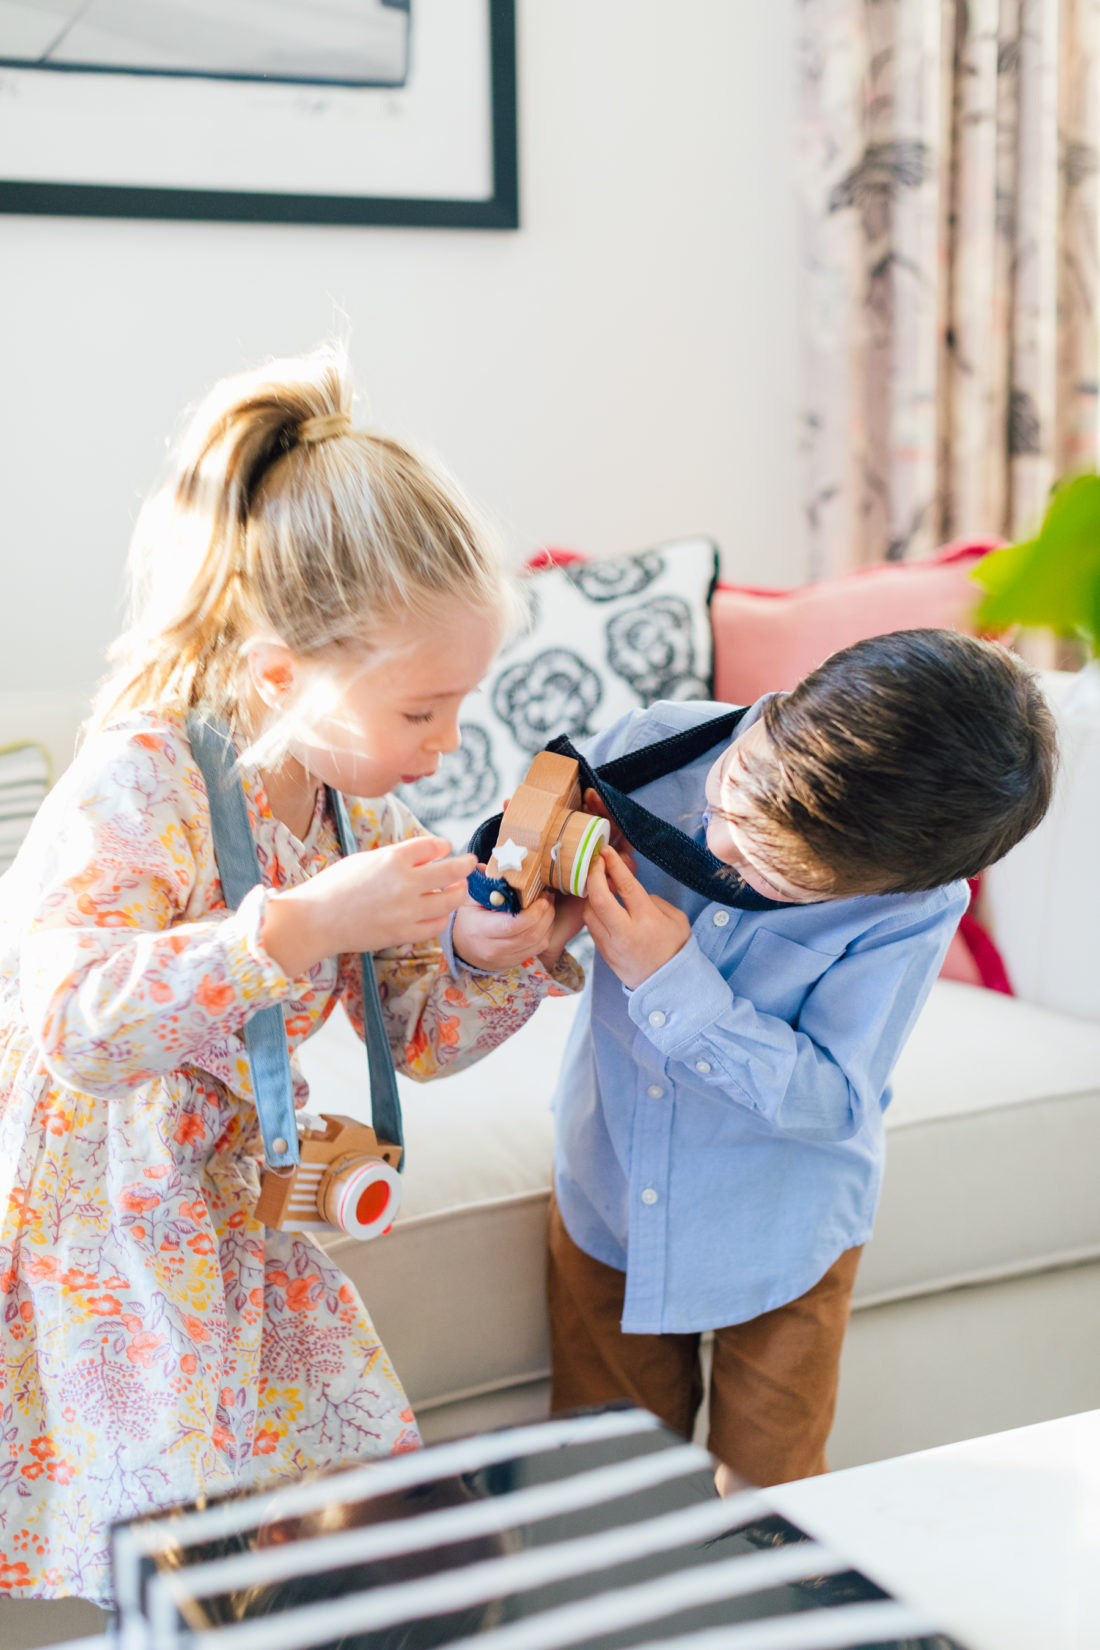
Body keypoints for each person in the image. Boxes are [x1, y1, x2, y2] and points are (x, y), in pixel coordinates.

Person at [0, 350, 580, 1605]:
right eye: (422, 713)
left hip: (237, 1214)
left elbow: (415, 1037)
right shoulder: (140, 776)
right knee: (182, 1545)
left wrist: (486, 957)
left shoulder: (340, 804)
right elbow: (74, 1022)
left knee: (360, 1498)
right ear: (280, 676)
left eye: (458, 707)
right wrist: (298, 924)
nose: (445, 744)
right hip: (115, 1226)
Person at [546, 628, 1057, 1490]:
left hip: (779, 1233)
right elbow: (509, 860)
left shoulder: (912, 910)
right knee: (600, 1490)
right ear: (782, 709)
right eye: (734, 793)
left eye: (782, 872)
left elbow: (834, 1098)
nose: (719, 848)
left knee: (774, 1506)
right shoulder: (651, 748)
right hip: (608, 1196)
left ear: (885, 883)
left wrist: (671, 981)